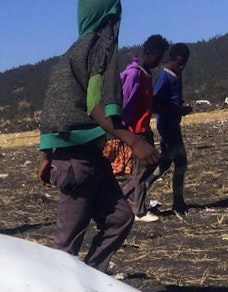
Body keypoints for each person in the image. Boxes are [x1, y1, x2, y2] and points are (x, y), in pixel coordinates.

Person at [36, 0, 158, 274]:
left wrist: (45, 156)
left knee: (120, 218)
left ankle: (91, 278)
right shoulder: (101, 48)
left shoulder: (70, 56)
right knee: (66, 245)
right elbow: (96, 105)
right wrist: (134, 141)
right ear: (111, 18)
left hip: (89, 158)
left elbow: (52, 112)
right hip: (77, 163)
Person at [119, 34, 169, 222]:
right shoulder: (134, 74)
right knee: (140, 172)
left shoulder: (146, 73)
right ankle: (137, 211)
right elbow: (125, 102)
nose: (159, 62)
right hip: (136, 131)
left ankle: (123, 200)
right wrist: (123, 130)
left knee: (149, 166)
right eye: (158, 56)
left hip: (144, 128)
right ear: (149, 53)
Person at [144, 43, 194, 216]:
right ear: (171, 60)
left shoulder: (177, 75)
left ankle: (139, 191)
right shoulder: (164, 77)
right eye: (179, 63)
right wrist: (177, 110)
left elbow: (173, 99)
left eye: (184, 64)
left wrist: (181, 106)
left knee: (165, 164)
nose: (181, 67)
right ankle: (177, 201)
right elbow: (155, 103)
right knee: (180, 164)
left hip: (173, 125)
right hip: (167, 126)